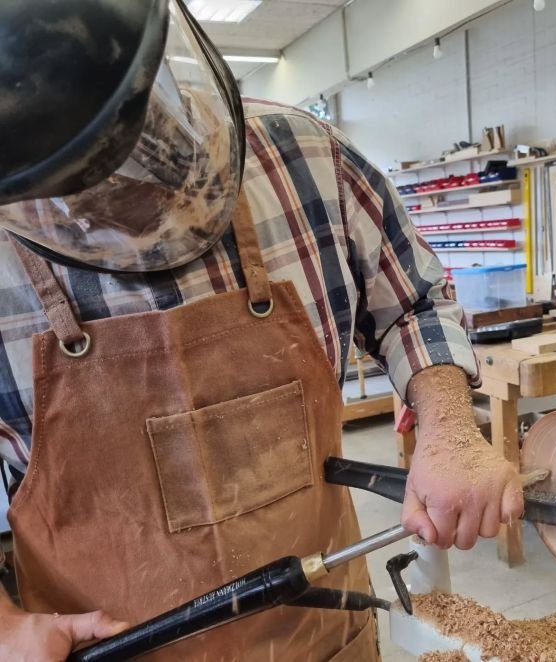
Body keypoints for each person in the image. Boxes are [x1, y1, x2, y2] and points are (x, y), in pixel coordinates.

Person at [0, 0, 523, 659]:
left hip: (327, 638)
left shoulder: (307, 158)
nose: (130, 200)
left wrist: (450, 428)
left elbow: (413, 302)